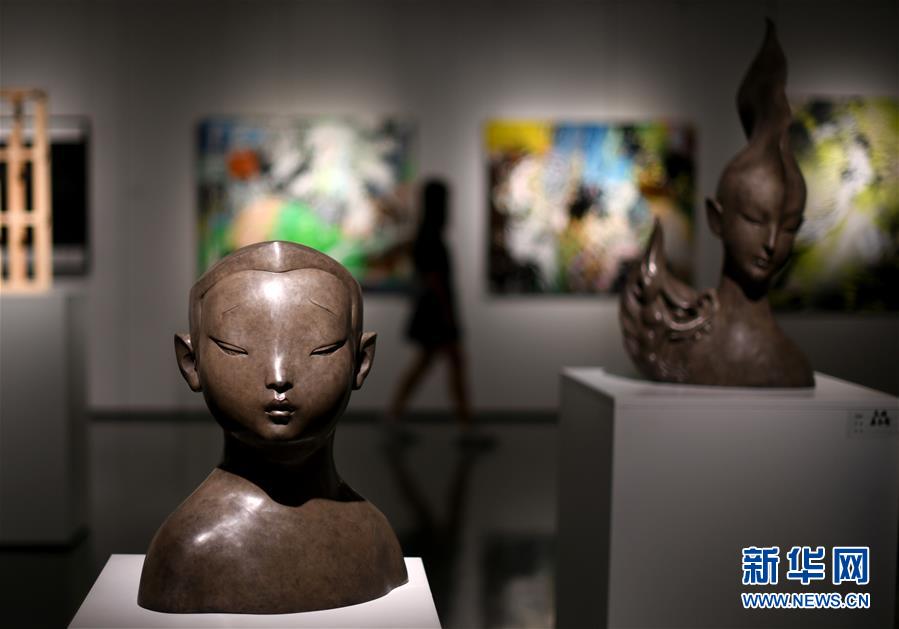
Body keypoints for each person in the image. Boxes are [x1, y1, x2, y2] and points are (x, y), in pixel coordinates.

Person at [138, 241, 407, 613]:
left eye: (321, 349)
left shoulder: (376, 540)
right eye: (236, 348)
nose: (279, 376)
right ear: (191, 362)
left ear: (361, 362)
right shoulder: (187, 550)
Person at [388, 179, 481, 440]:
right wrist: (448, 316)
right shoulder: (431, 236)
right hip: (437, 312)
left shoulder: (425, 234)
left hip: (432, 310)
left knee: (432, 364)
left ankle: (394, 416)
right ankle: (465, 426)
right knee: (454, 363)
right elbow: (435, 281)